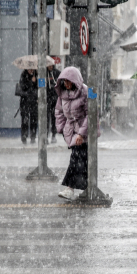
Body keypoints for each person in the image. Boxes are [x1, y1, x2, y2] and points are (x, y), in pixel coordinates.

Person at [55, 67, 89, 200]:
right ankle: (86, 188)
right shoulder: (63, 94)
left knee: (77, 159)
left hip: (83, 131)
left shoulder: (85, 92)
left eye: (68, 81)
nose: (66, 84)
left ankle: (70, 188)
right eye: (64, 81)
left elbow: (90, 114)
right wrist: (62, 128)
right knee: (80, 159)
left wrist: (81, 133)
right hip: (71, 131)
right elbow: (59, 112)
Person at [17, 68, 39, 144]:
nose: (31, 71)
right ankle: (24, 136)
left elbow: (40, 87)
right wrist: (31, 82)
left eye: (32, 69)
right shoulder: (23, 76)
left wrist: (36, 81)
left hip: (34, 102)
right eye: (29, 69)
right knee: (25, 120)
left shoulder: (37, 75)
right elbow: (23, 87)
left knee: (34, 120)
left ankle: (33, 136)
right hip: (25, 101)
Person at [45, 64, 60, 143]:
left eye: (51, 65)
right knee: (46, 119)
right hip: (47, 99)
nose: (50, 67)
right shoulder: (44, 73)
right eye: (49, 65)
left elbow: (60, 84)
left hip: (55, 99)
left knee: (54, 118)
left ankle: (53, 135)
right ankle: (46, 135)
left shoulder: (57, 73)